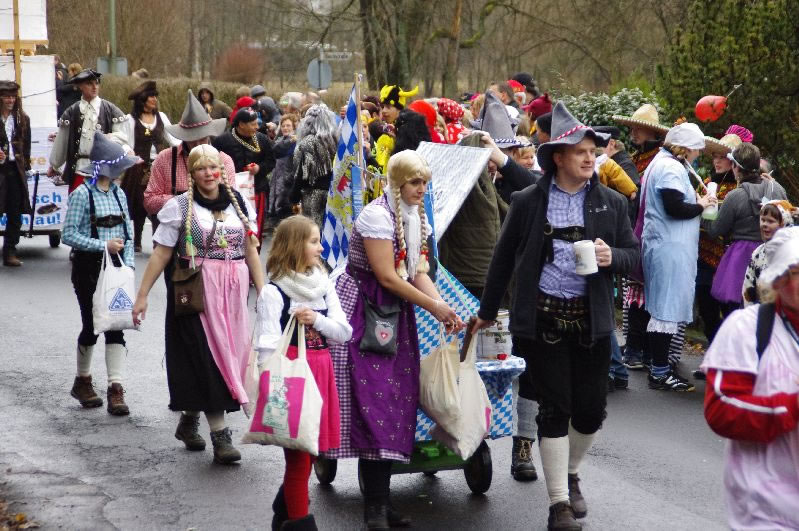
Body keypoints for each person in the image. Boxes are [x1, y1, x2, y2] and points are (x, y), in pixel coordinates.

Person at [472, 102, 638, 531]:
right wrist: (487, 312)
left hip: (592, 323)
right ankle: (559, 504)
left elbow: (635, 256)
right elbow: (503, 259)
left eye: (593, 151)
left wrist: (612, 257)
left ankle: (571, 471)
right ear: (558, 158)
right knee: (555, 408)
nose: (589, 158)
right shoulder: (528, 201)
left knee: (591, 412)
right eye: (580, 151)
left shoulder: (611, 203)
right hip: (543, 322)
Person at [323, 150, 462, 530]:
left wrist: (444, 306)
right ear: (397, 182)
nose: (422, 189)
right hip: (365, 313)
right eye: (415, 182)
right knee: (374, 403)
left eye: (425, 182)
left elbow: (417, 272)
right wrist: (434, 307)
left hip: (392, 315)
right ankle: (374, 508)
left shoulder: (411, 217)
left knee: (394, 403)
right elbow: (386, 276)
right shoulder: (377, 217)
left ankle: (381, 503)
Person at [132, 144, 264, 464]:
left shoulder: (239, 202)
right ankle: (221, 436)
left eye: (213, 167)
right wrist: (143, 294)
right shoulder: (179, 207)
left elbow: (250, 250)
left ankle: (190, 417)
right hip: (198, 290)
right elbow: (162, 253)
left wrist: (263, 291)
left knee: (228, 356)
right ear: (191, 173)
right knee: (206, 357)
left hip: (233, 294)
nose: (209, 173)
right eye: (201, 168)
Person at [255, 215, 352, 530]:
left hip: (321, 371)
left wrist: (316, 320)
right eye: (313, 241)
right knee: (298, 458)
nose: (320, 248)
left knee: (310, 452)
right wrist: (271, 393)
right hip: (292, 377)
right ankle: (298, 522)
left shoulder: (324, 284)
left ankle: (283, 512)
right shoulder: (274, 292)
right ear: (295, 245)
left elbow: (343, 332)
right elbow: (267, 346)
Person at [700, 226, 799, 530]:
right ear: (780, 279)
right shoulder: (747, 328)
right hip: (766, 509)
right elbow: (720, 409)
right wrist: (791, 407)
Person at [62, 132, 138, 416]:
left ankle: (115, 388)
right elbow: (68, 234)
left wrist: (129, 267)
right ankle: (82, 381)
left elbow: (128, 235)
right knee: (92, 325)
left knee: (117, 324)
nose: (123, 172)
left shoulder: (119, 194)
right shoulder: (82, 194)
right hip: (88, 268)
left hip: (116, 268)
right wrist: (102, 245)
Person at [641, 122, 716, 391]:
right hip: (669, 247)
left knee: (664, 309)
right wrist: (701, 204)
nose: (698, 154)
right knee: (665, 310)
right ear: (685, 148)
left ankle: (659, 368)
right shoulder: (670, 167)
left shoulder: (665, 163)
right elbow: (674, 208)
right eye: (696, 149)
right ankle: (660, 372)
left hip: (667, 244)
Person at [706, 142, 787, 317]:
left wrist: (706, 210)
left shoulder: (735, 196)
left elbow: (714, 230)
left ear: (736, 167)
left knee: (737, 314)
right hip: (772, 256)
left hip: (741, 258)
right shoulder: (778, 190)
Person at [143, 90, 235, 231]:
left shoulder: (224, 160)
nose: (197, 145)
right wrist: (186, 200)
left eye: (202, 138)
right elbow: (149, 202)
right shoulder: (164, 159)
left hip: (213, 235)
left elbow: (231, 200)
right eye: (192, 139)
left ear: (209, 134)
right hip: (172, 238)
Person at [696, 131, 745, 342]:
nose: (717, 161)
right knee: (706, 307)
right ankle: (713, 347)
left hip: (728, 257)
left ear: (733, 161)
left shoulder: (740, 188)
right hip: (703, 255)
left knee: (729, 308)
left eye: (722, 157)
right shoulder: (706, 183)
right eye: (715, 156)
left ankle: (728, 351)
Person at [121, 81, 180, 252]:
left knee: (158, 203)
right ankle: (137, 239)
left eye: (155, 96)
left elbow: (173, 138)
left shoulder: (161, 117)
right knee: (140, 203)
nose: (155, 99)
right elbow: (124, 142)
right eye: (151, 96)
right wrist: (130, 154)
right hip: (138, 168)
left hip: (159, 166)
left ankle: (156, 240)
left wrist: (187, 147)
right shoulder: (130, 120)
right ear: (142, 100)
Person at [48, 69, 129, 194]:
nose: (94, 87)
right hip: (79, 170)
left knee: (102, 205)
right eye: (89, 84)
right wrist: (55, 165)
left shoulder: (111, 110)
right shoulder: (72, 112)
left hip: (103, 172)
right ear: (80, 86)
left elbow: (123, 138)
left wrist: (109, 138)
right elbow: (62, 142)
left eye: (96, 83)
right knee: (79, 203)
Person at [212, 107, 276, 242]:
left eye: (257, 123)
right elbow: (213, 163)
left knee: (255, 227)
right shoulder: (221, 141)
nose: (257, 127)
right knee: (233, 227)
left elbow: (271, 161)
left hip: (257, 190)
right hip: (230, 191)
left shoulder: (262, 139)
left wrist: (259, 168)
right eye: (253, 124)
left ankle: (254, 252)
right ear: (241, 124)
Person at [289, 105, 338, 229]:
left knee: (313, 230)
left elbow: (301, 173)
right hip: (332, 193)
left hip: (312, 195)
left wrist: (294, 198)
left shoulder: (307, 142)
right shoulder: (335, 141)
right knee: (328, 230)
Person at [0, 80, 31, 267]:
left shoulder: (22, 119)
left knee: (15, 212)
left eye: (13, 97)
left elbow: (26, 148)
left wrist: (25, 168)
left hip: (15, 170)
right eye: (6, 97)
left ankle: (10, 251)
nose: (10, 100)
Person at [742, 200, 795, 306]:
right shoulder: (758, 253)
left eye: (770, 221)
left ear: (783, 224)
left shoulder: (792, 253)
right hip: (761, 311)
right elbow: (748, 285)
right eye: (763, 220)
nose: (765, 224)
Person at [266, 114, 299, 231]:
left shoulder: (295, 142)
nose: (285, 128)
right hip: (277, 177)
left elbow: (279, 150)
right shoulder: (280, 140)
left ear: (294, 127)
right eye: (283, 126)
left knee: (286, 208)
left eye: (288, 125)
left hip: (288, 180)